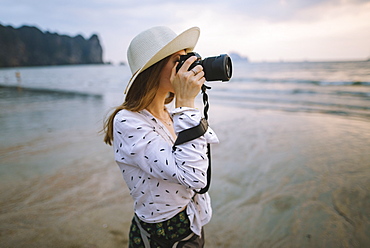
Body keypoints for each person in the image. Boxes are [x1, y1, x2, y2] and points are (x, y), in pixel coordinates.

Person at [103, 26, 219, 248]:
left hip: (192, 222)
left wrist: (184, 108)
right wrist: (186, 103)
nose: (187, 66)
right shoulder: (128, 121)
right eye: (179, 60)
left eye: (187, 57)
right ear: (154, 70)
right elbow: (194, 176)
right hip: (163, 236)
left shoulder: (171, 114)